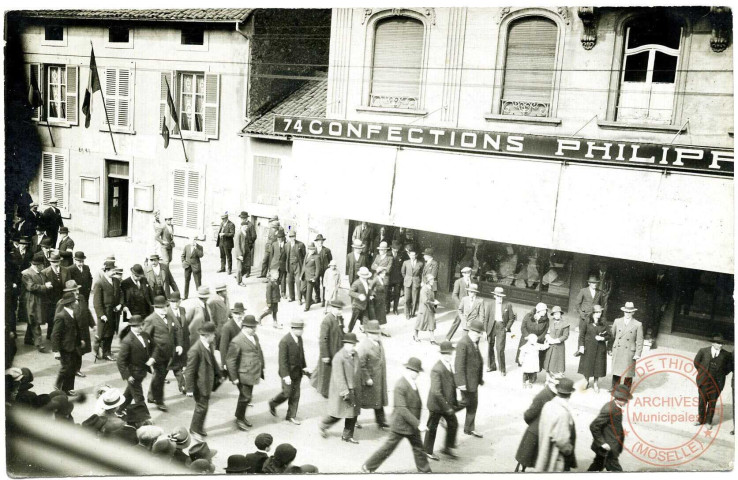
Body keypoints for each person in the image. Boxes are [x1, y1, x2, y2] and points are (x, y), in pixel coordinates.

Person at [362, 357, 432, 473]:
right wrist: (418, 424)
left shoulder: (412, 383)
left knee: (418, 448)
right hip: (400, 425)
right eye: (416, 372)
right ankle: (368, 466)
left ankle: (425, 471)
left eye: (418, 372)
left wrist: (416, 423)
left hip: (411, 425)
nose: (417, 374)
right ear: (410, 370)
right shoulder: (401, 385)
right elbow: (402, 409)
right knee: (388, 448)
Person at [514, 372, 562, 472]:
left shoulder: (550, 394)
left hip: (538, 431)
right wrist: (533, 425)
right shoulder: (544, 395)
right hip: (535, 432)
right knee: (526, 458)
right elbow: (529, 414)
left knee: (528, 458)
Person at [143, 296, 183, 411]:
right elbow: (146, 338)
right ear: (155, 308)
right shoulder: (151, 319)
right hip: (157, 355)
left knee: (159, 376)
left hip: (169, 354)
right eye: (160, 307)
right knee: (160, 377)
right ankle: (159, 401)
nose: (164, 309)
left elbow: (177, 331)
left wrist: (179, 344)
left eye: (165, 306)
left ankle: (151, 396)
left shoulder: (170, 316)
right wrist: (149, 356)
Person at [225, 314, 264, 431]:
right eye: (252, 327)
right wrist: (234, 377)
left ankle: (241, 416)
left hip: (252, 372)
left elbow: (258, 351)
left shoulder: (254, 337)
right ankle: (239, 419)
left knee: (246, 397)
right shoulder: (237, 341)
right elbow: (230, 360)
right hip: (243, 374)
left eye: (255, 327)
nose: (254, 329)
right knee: (245, 397)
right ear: (245, 327)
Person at [320, 332, 360, 443]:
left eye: (354, 344)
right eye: (351, 344)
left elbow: (358, 370)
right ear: (345, 344)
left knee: (352, 414)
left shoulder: (355, 354)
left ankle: (347, 436)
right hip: (343, 391)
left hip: (354, 388)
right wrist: (344, 392)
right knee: (338, 414)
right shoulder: (339, 357)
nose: (353, 347)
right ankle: (323, 425)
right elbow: (339, 377)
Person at [424, 341, 460, 460]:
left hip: (446, 404)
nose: (449, 355)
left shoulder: (448, 365)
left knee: (453, 424)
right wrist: (447, 408)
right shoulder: (437, 369)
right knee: (432, 427)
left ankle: (447, 448)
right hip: (436, 405)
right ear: (442, 354)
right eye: (446, 354)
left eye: (450, 353)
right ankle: (427, 451)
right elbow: (436, 392)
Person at [185, 322, 222, 439]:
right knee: (201, 408)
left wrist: (219, 373)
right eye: (213, 334)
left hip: (206, 383)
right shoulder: (195, 350)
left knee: (204, 407)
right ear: (207, 335)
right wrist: (189, 389)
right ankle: (194, 430)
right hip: (199, 385)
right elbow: (189, 371)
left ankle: (199, 428)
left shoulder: (207, 345)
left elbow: (212, 360)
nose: (214, 336)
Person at [269, 319, 309, 424]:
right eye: (300, 329)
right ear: (293, 329)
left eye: (302, 329)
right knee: (287, 393)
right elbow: (282, 361)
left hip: (298, 372)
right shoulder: (285, 341)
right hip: (288, 373)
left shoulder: (299, 339)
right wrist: (285, 375)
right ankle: (273, 403)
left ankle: (291, 416)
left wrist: (304, 367)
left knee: (295, 395)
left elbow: (301, 354)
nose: (302, 331)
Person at [536, 377, 577, 472]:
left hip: (544, 449)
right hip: (555, 457)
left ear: (558, 392)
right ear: (570, 394)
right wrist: (568, 449)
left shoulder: (548, 405)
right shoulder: (563, 413)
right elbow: (562, 440)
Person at [116, 315, 153, 419]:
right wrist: (127, 376)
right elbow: (120, 361)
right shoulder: (127, 341)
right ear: (131, 327)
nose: (140, 327)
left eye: (141, 325)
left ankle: (119, 410)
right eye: (137, 326)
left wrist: (153, 358)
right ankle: (146, 419)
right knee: (139, 397)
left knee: (129, 393)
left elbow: (154, 348)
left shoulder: (145, 335)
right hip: (133, 373)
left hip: (142, 371)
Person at [588, 384, 632, 471]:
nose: (627, 402)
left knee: (597, 465)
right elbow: (594, 426)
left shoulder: (616, 407)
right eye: (625, 400)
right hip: (608, 448)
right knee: (616, 470)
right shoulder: (609, 409)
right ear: (619, 398)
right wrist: (602, 443)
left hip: (608, 447)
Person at [693, 333, 732, 430]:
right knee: (702, 401)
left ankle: (709, 421)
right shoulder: (703, 351)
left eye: (722, 343)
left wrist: (721, 374)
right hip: (704, 381)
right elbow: (696, 363)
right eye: (719, 343)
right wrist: (703, 373)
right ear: (713, 343)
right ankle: (700, 419)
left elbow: (729, 367)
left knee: (712, 402)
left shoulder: (727, 354)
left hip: (717, 383)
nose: (721, 345)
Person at [356, 320, 389, 429]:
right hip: (369, 379)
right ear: (368, 333)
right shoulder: (364, 346)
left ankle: (381, 421)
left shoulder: (378, 342)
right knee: (360, 400)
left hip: (378, 378)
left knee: (378, 400)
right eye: (375, 333)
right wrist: (367, 378)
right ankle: (353, 419)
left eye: (378, 332)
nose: (378, 335)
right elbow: (361, 364)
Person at [455, 319, 484, 438]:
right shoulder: (463, 343)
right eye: (478, 333)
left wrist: (479, 378)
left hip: (473, 381)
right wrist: (461, 383)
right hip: (466, 382)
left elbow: (478, 360)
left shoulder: (474, 341)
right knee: (465, 402)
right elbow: (459, 364)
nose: (480, 335)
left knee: (473, 404)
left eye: (480, 333)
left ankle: (469, 428)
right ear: (471, 331)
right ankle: (445, 413)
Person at [51, 291, 83, 395]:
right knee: (66, 368)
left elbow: (75, 330)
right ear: (71, 303)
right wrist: (56, 351)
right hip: (64, 347)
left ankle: (67, 388)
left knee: (72, 367)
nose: (77, 302)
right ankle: (58, 386)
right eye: (75, 301)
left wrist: (79, 341)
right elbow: (55, 335)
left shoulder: (72, 313)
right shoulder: (61, 316)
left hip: (73, 346)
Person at [311, 299, 345, 398]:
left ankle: (317, 383)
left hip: (337, 348)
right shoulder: (327, 320)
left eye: (341, 309)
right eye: (338, 309)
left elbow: (341, 332)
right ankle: (325, 391)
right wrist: (325, 355)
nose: (340, 311)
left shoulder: (339, 318)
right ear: (332, 308)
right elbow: (323, 339)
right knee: (326, 372)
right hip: (330, 350)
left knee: (326, 371)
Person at [608, 302, 644, 390]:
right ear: (623, 311)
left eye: (629, 312)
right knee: (617, 370)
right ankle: (614, 388)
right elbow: (612, 336)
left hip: (629, 351)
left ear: (633, 312)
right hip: (618, 349)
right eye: (626, 312)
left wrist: (638, 353)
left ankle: (626, 390)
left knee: (628, 372)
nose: (627, 314)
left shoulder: (637, 324)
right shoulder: (617, 321)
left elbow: (640, 340)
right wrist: (609, 348)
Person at [21, 253, 53, 353]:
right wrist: (45, 287)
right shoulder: (26, 274)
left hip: (39, 300)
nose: (43, 267)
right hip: (31, 300)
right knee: (35, 320)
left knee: (33, 319)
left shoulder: (41, 273)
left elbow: (44, 282)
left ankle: (27, 339)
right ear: (36, 265)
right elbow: (31, 287)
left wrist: (47, 284)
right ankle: (39, 344)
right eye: (41, 265)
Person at [92, 260, 122, 361]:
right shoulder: (99, 283)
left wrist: (120, 305)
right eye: (112, 270)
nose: (114, 272)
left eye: (114, 270)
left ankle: (106, 352)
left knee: (111, 332)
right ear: (106, 270)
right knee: (102, 334)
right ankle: (97, 348)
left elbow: (120, 294)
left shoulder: (116, 281)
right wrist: (101, 314)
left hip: (114, 312)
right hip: (105, 312)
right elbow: (97, 302)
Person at [577, 305, 609, 392]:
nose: (599, 314)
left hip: (600, 348)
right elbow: (581, 335)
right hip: (588, 347)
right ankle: (586, 381)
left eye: (600, 312)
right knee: (587, 365)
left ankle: (595, 384)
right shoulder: (587, 321)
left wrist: (603, 338)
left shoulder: (603, 322)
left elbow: (609, 335)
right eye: (597, 312)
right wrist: (581, 346)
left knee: (598, 367)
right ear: (593, 313)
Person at [484, 286, 515, 374]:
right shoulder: (490, 305)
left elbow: (511, 318)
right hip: (491, 327)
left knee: (500, 348)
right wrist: (485, 331)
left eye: (501, 296)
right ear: (494, 296)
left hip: (501, 327)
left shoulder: (507, 305)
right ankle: (491, 366)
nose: (499, 298)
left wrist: (506, 328)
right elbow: (486, 319)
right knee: (490, 346)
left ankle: (502, 369)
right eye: (497, 296)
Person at [166, 291, 189, 392]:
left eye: (176, 302)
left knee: (176, 365)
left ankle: (182, 386)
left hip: (183, 342)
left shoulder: (183, 310)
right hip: (172, 344)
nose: (174, 304)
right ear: (169, 302)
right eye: (172, 302)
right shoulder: (166, 313)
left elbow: (185, 326)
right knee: (167, 368)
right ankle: (183, 386)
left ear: (180, 302)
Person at [516, 303, 549, 369]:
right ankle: (525, 374)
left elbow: (545, 331)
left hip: (538, 341)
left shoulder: (546, 320)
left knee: (535, 361)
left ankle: (533, 376)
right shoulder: (528, 316)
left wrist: (537, 339)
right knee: (524, 358)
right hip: (526, 339)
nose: (545, 312)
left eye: (545, 310)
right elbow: (523, 327)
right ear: (538, 311)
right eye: (543, 310)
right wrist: (528, 337)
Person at [41, 252, 65, 340]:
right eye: (53, 262)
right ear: (50, 262)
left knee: (62, 318)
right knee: (51, 318)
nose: (55, 264)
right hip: (50, 300)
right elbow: (43, 287)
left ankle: (60, 335)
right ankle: (50, 335)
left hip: (62, 299)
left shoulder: (65, 271)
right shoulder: (45, 272)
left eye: (57, 262)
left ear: (60, 261)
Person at [542, 306, 569, 377]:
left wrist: (556, 340)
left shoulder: (565, 323)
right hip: (550, 345)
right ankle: (547, 379)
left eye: (558, 313)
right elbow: (547, 331)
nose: (556, 315)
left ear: (560, 314)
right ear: (553, 315)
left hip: (559, 346)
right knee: (548, 363)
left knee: (557, 365)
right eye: (555, 314)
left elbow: (565, 336)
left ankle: (556, 380)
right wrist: (548, 338)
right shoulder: (550, 321)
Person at [447, 267, 472, 340]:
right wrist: (460, 306)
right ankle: (447, 338)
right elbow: (454, 295)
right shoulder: (458, 282)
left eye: (469, 273)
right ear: (463, 274)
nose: (468, 275)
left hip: (469, 306)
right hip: (461, 307)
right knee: (457, 322)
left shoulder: (472, 282)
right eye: (466, 273)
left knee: (468, 323)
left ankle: (465, 341)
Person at [219, 302, 246, 371]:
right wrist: (224, 363)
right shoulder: (227, 327)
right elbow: (223, 346)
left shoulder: (245, 325)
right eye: (236, 314)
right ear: (232, 314)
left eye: (240, 313)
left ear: (243, 314)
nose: (238, 316)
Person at [415, 274, 439, 344]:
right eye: (431, 280)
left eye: (433, 279)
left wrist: (434, 301)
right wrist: (433, 303)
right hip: (424, 308)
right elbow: (425, 300)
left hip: (430, 308)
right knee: (420, 323)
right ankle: (415, 335)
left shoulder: (430, 288)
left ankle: (432, 339)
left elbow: (431, 298)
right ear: (427, 281)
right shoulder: (424, 289)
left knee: (431, 323)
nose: (433, 281)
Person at [347, 266, 372, 333]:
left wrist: (371, 295)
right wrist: (359, 295)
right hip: (357, 306)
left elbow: (368, 291)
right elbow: (350, 292)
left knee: (365, 320)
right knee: (353, 320)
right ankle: (349, 332)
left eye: (366, 276)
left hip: (365, 305)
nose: (366, 278)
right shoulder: (356, 283)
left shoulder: (367, 282)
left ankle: (364, 329)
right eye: (364, 277)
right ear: (360, 276)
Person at [401, 247, 423, 319]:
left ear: (416, 255)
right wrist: (407, 278)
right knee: (406, 299)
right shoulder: (406, 262)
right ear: (409, 255)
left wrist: (419, 280)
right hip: (407, 281)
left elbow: (422, 273)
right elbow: (403, 272)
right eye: (411, 255)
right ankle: (407, 314)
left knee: (415, 298)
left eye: (414, 255)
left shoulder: (420, 263)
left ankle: (413, 313)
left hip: (416, 282)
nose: (412, 256)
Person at [265, 230, 287, 297]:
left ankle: (283, 293)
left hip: (283, 265)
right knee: (275, 279)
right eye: (278, 237)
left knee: (283, 279)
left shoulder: (287, 245)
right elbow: (271, 256)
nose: (279, 239)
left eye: (281, 237)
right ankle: (276, 293)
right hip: (274, 264)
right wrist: (270, 267)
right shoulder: (274, 244)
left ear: (283, 237)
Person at [285, 231, 306, 303]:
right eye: (290, 237)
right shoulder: (287, 245)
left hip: (298, 265)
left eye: (293, 236)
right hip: (290, 265)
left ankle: (299, 298)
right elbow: (285, 256)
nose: (291, 238)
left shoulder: (301, 244)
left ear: (295, 236)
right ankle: (292, 297)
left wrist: (303, 267)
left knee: (298, 281)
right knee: (290, 281)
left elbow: (304, 256)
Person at [301, 243, 322, 311]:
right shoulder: (307, 254)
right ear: (308, 249)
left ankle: (307, 307)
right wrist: (301, 274)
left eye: (313, 249)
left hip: (311, 277)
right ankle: (310, 301)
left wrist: (315, 278)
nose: (312, 250)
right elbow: (304, 265)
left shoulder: (316, 257)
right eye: (310, 249)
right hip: (304, 275)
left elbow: (318, 269)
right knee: (302, 290)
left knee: (309, 292)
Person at [386, 240, 405, 315]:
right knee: (387, 293)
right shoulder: (388, 254)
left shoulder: (402, 255)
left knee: (397, 294)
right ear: (392, 248)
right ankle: (387, 308)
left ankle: (395, 309)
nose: (396, 250)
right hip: (389, 277)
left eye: (397, 248)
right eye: (395, 248)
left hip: (398, 278)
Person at [370, 267, 389, 336]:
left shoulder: (381, 279)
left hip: (382, 299)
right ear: (379, 273)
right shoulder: (376, 279)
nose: (384, 275)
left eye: (385, 273)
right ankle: (376, 329)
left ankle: (380, 328)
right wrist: (373, 295)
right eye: (383, 273)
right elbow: (370, 288)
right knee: (378, 314)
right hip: (377, 299)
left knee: (381, 314)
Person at [314, 234, 332, 306]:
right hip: (316, 270)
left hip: (325, 270)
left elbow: (330, 260)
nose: (320, 242)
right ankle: (317, 298)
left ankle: (324, 300)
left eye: (321, 241)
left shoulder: (327, 250)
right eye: (318, 241)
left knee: (325, 285)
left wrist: (329, 270)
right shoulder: (314, 250)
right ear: (316, 242)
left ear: (323, 241)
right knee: (316, 284)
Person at [233, 217, 252, 286]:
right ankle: (239, 281)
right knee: (239, 268)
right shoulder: (239, 233)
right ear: (241, 226)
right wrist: (240, 255)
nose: (246, 228)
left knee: (247, 267)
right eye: (245, 226)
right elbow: (237, 245)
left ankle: (238, 277)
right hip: (240, 254)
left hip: (246, 253)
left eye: (247, 226)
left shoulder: (245, 233)